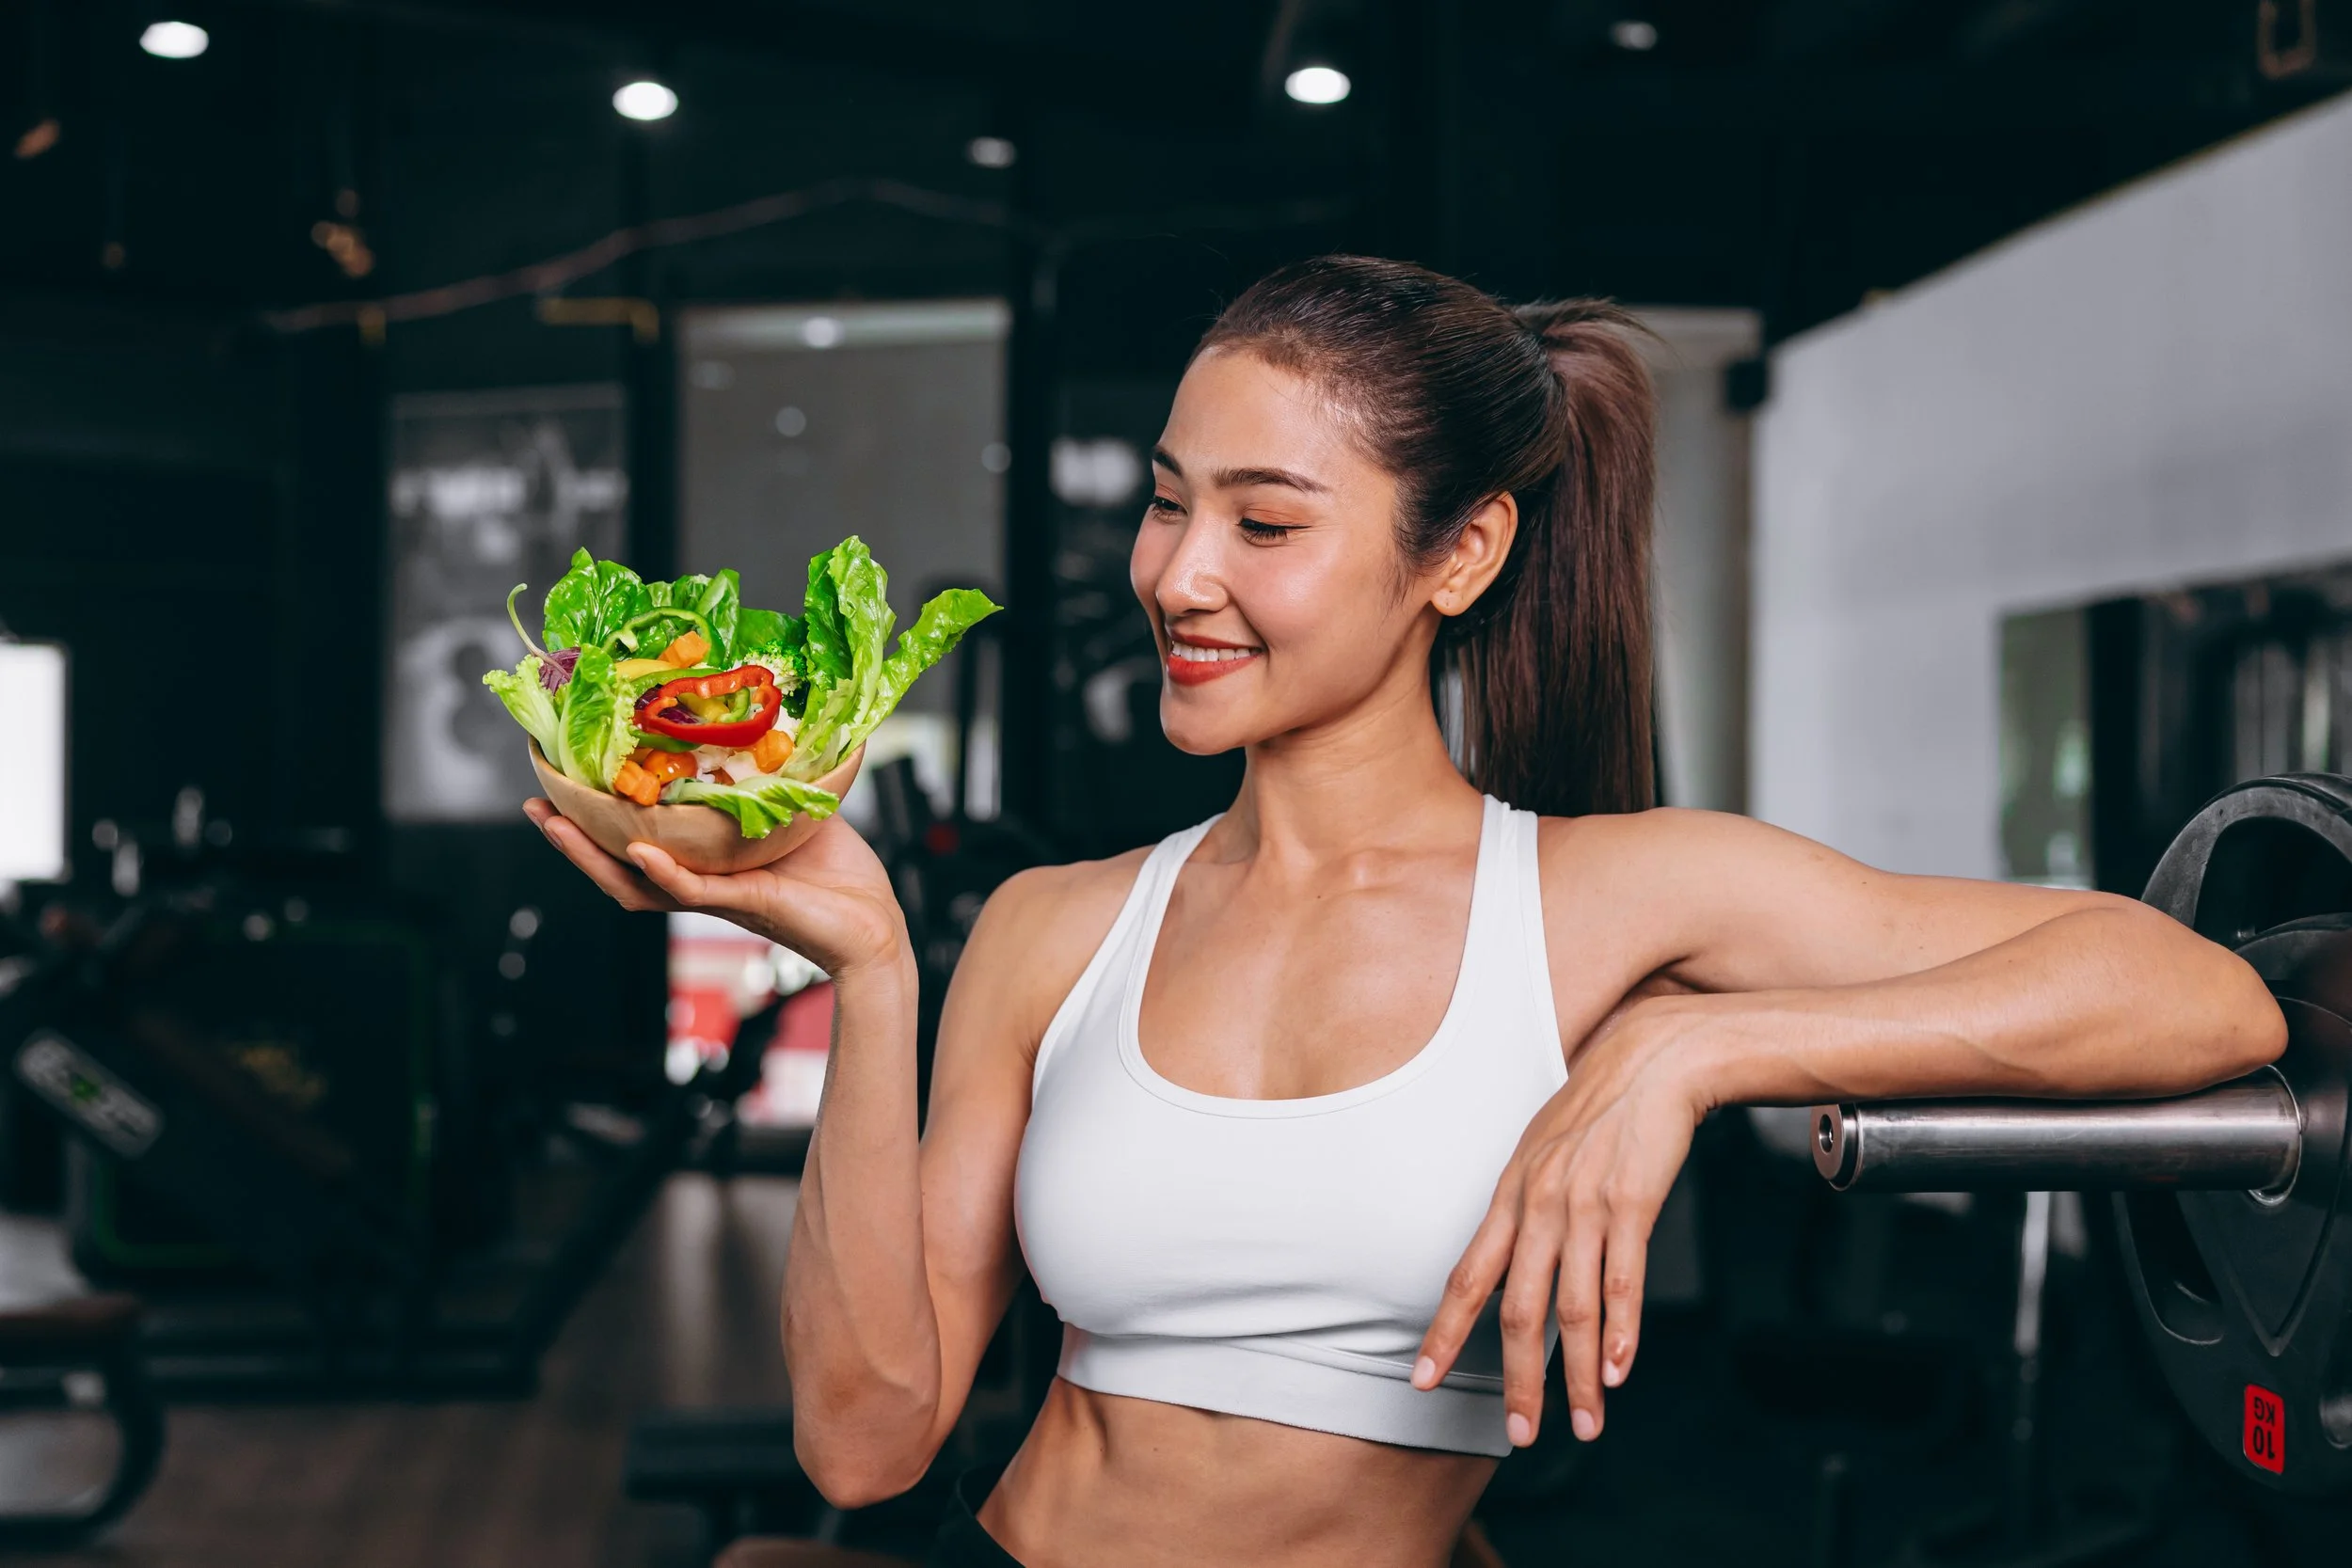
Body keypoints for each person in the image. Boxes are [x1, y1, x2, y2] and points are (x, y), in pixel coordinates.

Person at [528, 256, 2285, 1568]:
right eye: (1165, 498)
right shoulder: (1057, 929)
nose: (1177, 574)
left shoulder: (1612, 900)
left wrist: (1693, 1046)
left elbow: (2195, 999)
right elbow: (860, 1445)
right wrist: (878, 968)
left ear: (1460, 553)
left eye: (1263, 522)